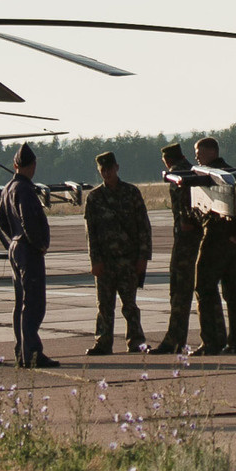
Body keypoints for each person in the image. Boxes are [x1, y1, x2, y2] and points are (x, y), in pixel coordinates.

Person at [192, 136, 236, 356]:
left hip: (215, 239)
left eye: (199, 152)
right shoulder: (234, 175)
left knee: (203, 288)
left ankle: (210, 341)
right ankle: (235, 341)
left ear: (212, 152)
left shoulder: (216, 176)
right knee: (231, 293)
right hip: (233, 243)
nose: (197, 157)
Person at [81, 150, 152, 356]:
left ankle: (136, 342)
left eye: (109, 169)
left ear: (117, 168)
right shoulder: (94, 198)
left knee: (130, 305)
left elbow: (144, 228)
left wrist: (143, 257)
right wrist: (94, 260)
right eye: (103, 170)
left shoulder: (131, 193)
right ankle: (103, 342)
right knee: (104, 306)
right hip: (105, 262)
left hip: (128, 261)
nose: (106, 174)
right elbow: (90, 233)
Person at [0, 146, 51, 368]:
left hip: (16, 247)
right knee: (33, 303)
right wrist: (39, 244)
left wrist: (14, 238)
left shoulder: (8, 187)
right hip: (28, 250)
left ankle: (22, 350)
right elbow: (28, 220)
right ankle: (32, 353)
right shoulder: (25, 190)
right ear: (32, 165)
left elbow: (1, 219)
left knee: (21, 303)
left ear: (15, 165)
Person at [157, 143, 200, 355]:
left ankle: (174, 339)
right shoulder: (193, 170)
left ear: (167, 160)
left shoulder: (177, 175)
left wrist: (184, 220)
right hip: (196, 240)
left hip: (185, 241)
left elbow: (184, 206)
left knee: (179, 290)